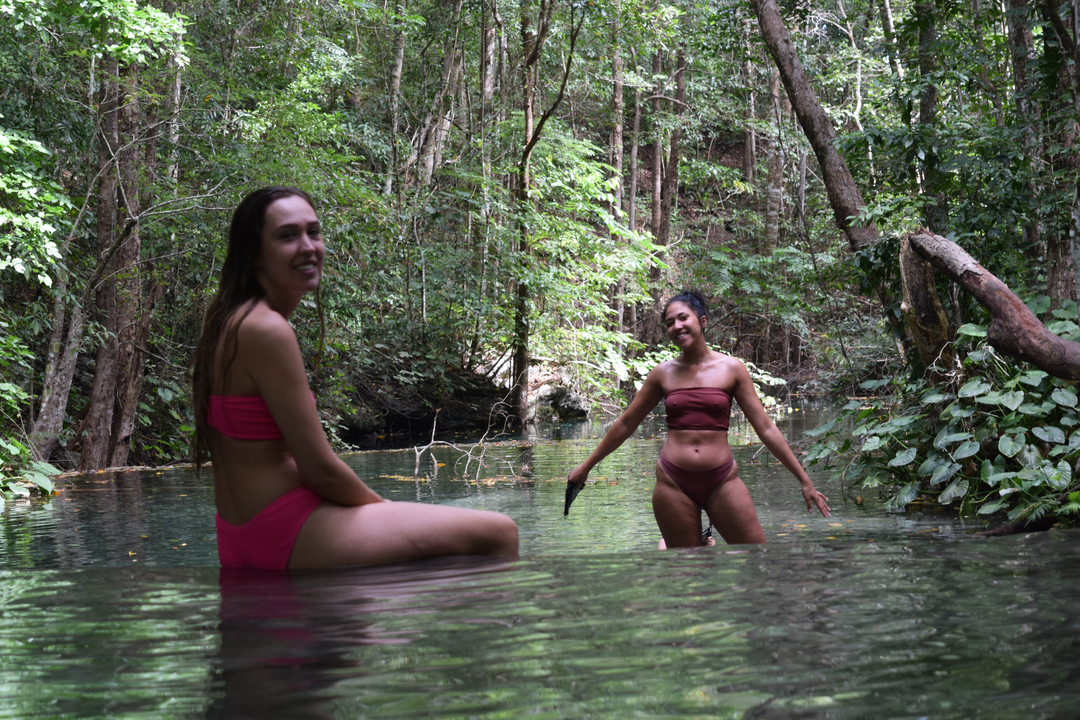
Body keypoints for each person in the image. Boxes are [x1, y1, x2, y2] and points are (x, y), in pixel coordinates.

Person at [192, 186, 518, 570]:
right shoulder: (267, 329)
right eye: (287, 236)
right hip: (287, 530)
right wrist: (385, 509)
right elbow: (320, 469)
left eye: (313, 231)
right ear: (254, 254)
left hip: (242, 534)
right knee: (500, 533)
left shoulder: (227, 321)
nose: (307, 246)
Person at [566, 290, 829, 547]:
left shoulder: (732, 369)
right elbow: (625, 424)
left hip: (722, 479)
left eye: (683, 318)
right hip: (673, 482)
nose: (676, 326)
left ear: (702, 321)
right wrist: (585, 468)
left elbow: (766, 428)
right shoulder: (662, 374)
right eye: (669, 323)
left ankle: (680, 543)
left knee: (757, 557)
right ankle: (676, 544)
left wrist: (803, 480)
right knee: (688, 575)